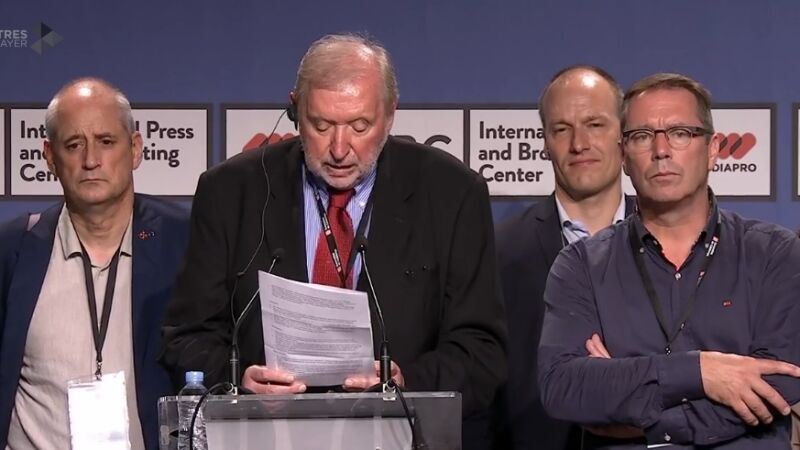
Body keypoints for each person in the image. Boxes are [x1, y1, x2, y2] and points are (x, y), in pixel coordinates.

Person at [160, 33, 506, 427]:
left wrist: (406, 383)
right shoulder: (230, 192)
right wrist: (237, 383)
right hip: (268, 435)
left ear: (390, 113)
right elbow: (186, 338)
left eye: (360, 126)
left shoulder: (452, 194)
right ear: (295, 109)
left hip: (398, 435)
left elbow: (482, 351)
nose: (340, 149)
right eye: (321, 125)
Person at [538, 72, 800, 448]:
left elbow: (780, 382)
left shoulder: (774, 253)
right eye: (642, 136)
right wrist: (701, 372)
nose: (661, 150)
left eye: (680, 133)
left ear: (713, 149)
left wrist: (635, 409)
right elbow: (565, 387)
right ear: (624, 156)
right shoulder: (581, 266)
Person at [0, 78, 189, 449]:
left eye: (106, 141)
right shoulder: (13, 249)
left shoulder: (186, 242)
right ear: (49, 157)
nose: (90, 160)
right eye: (73, 145)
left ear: (135, 149)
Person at [492, 65, 634, 450]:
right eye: (561, 129)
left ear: (623, 134)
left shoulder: (669, 242)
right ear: (544, 142)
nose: (579, 143)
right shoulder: (500, 250)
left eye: (595, 125)